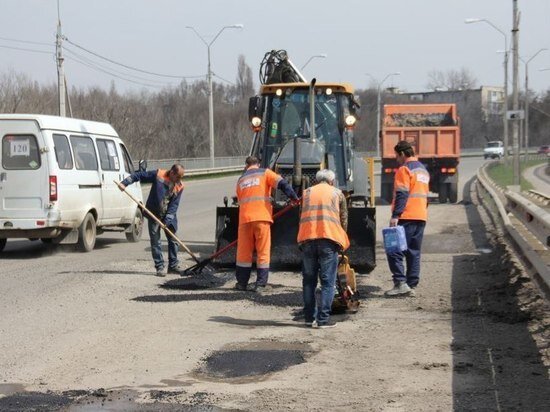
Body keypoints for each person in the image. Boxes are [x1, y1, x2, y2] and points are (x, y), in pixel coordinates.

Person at [235, 156, 298, 292]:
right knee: (262, 251)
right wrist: (293, 197)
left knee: (244, 253)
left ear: (246, 166)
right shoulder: (265, 172)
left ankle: (241, 283)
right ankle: (261, 284)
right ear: (258, 164)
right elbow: (282, 183)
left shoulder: (241, 179)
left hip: (245, 220)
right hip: (261, 218)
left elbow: (241, 200)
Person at [297, 169, 349, 328]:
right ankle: (323, 320)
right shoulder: (338, 194)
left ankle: (308, 319)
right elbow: (344, 219)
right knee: (328, 282)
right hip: (329, 240)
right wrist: (342, 241)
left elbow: (301, 216)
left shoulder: (306, 193)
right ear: (331, 181)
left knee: (308, 281)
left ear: (317, 181)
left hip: (307, 240)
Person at [119, 164, 185, 277]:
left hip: (169, 214)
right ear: (172, 173)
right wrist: (124, 183)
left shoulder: (180, 185)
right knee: (155, 241)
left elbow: (174, 204)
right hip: (154, 213)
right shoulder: (158, 175)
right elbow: (139, 175)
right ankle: (159, 267)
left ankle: (173, 266)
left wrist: (168, 219)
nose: (179, 180)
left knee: (173, 240)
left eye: (180, 178)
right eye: (178, 177)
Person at [385, 140, 430, 297]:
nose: (397, 159)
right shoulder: (423, 170)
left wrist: (396, 215)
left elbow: (402, 194)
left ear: (402, 154)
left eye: (397, 156)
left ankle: (400, 283)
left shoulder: (404, 169)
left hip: (407, 215)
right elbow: (426, 196)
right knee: (413, 252)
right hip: (421, 216)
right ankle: (411, 284)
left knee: (394, 249)